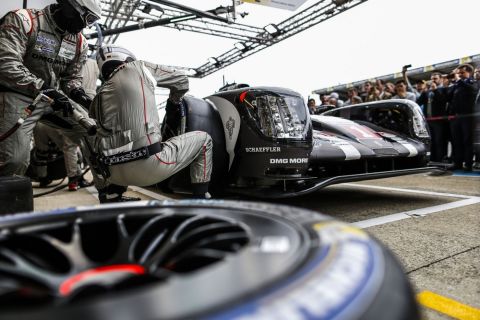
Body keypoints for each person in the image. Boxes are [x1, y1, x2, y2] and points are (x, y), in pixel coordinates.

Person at [92, 45, 213, 200]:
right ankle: (201, 198)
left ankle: (113, 196)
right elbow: (182, 80)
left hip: (112, 174)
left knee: (119, 141)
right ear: (126, 59)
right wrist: (174, 102)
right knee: (204, 140)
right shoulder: (138, 68)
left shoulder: (99, 96)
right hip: (148, 168)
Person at [0, 0, 102, 177]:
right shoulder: (24, 20)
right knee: (14, 159)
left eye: (91, 21)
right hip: (18, 95)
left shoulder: (79, 42)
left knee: (97, 132)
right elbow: (6, 63)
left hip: (53, 98)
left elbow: (71, 79)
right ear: (70, 8)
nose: (85, 25)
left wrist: (78, 94)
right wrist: (43, 88)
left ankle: (110, 193)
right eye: (86, 18)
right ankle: (9, 201)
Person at [447, 64, 477, 171]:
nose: (459, 75)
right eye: (458, 73)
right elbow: (449, 98)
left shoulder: (473, 82)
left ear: (469, 73)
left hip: (467, 117)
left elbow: (472, 91)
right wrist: (452, 83)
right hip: (456, 117)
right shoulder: (457, 85)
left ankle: (468, 164)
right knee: (456, 141)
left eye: (462, 73)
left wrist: (458, 80)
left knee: (467, 141)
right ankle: (457, 163)